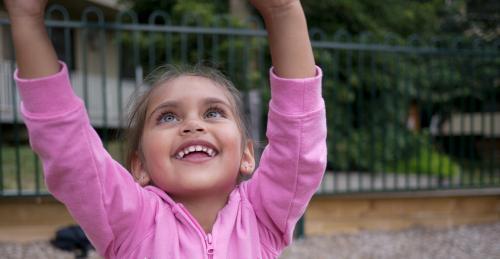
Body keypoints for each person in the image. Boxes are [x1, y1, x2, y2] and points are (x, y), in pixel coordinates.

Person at [5, 0, 326, 258]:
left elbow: (299, 136)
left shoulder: (262, 217)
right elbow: (68, 148)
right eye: (168, 117)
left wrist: (284, 10)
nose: (193, 125)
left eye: (213, 112)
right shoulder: (130, 221)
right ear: (139, 165)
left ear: (246, 155)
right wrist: (27, 17)